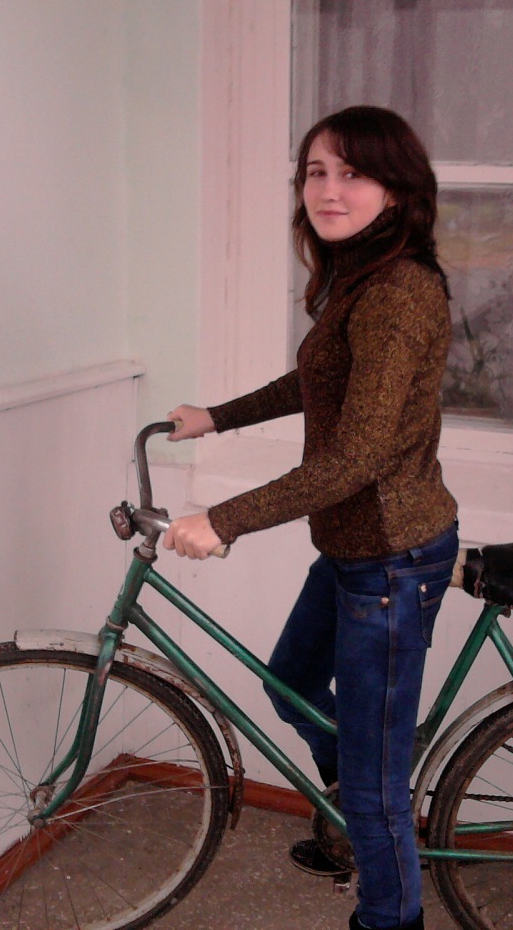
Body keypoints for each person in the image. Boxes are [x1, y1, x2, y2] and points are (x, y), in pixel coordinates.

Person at [163, 105, 458, 930]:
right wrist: (216, 418)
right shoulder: (361, 276)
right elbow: (320, 380)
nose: (329, 190)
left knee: (376, 786)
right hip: (357, 549)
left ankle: (385, 904)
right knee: (292, 684)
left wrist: (225, 518)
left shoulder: (396, 292)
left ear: (397, 188)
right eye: (316, 172)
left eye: (352, 173)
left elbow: (355, 456)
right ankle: (349, 809)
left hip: (390, 561)